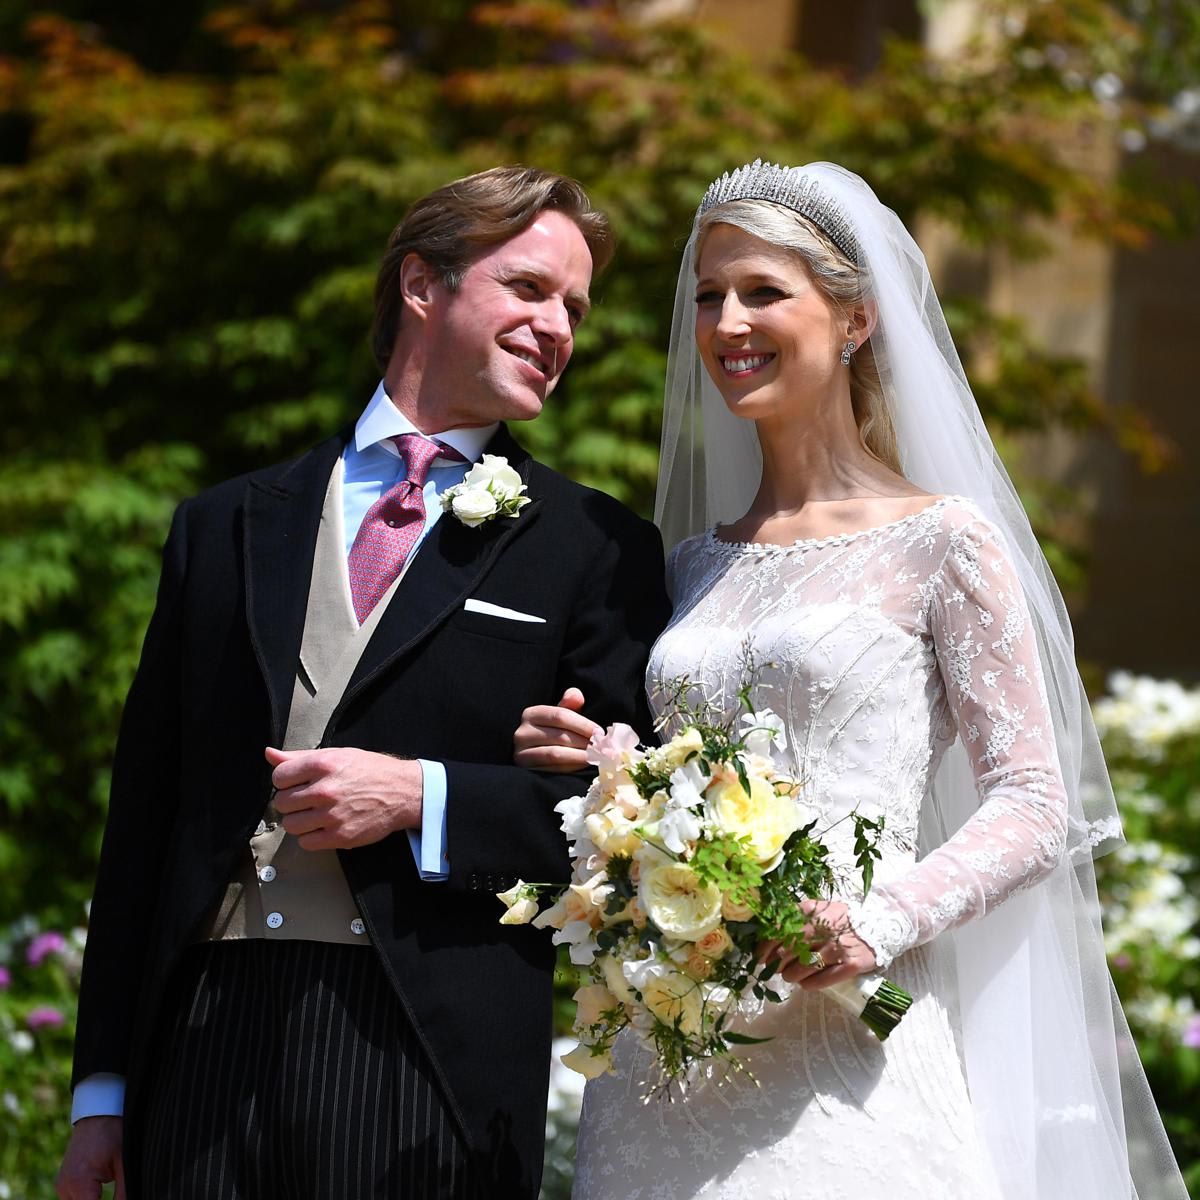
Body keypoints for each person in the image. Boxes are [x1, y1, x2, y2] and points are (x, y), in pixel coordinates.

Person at [512, 161, 1188, 1198]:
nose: (727, 321)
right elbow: (680, 778)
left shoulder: (944, 543)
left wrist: (877, 919)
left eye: (762, 291)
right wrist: (609, 769)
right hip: (666, 1066)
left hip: (850, 1058)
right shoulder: (686, 565)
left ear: (857, 319)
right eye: (707, 296)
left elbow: (1035, 801)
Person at [55, 165, 671, 1200]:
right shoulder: (224, 524)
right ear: (422, 285)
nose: (558, 325)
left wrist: (419, 796)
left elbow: (618, 827)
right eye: (528, 288)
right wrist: (101, 1094)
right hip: (201, 1043)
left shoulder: (597, 547)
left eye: (574, 306)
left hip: (429, 1068)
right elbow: (144, 822)